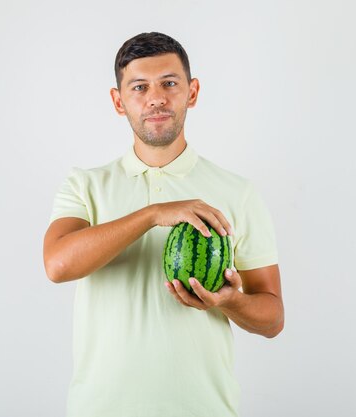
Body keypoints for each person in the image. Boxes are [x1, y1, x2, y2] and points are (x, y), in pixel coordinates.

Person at [43, 32, 284, 417]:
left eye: (169, 83)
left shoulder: (238, 193)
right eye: (140, 87)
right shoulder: (85, 186)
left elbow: (272, 318)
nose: (156, 97)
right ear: (118, 101)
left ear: (192, 92)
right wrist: (154, 213)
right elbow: (57, 265)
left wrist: (232, 301)